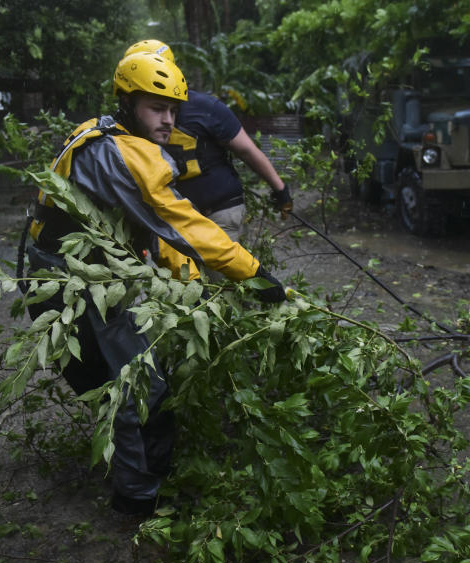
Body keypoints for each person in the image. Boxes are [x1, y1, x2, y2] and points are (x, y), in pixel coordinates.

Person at [26, 51, 287, 516]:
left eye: (173, 109)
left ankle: (130, 459)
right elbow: (182, 224)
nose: (168, 120)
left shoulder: (100, 131)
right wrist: (254, 275)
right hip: (78, 282)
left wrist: (193, 286)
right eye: (156, 108)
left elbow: (158, 232)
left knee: (115, 378)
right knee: (141, 384)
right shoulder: (126, 154)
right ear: (128, 104)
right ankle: (138, 498)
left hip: (62, 270)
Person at [123, 40, 293, 247]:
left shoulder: (206, 108)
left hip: (220, 210)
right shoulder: (130, 123)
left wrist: (280, 190)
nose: (166, 117)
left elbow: (247, 150)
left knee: (219, 274)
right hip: (178, 217)